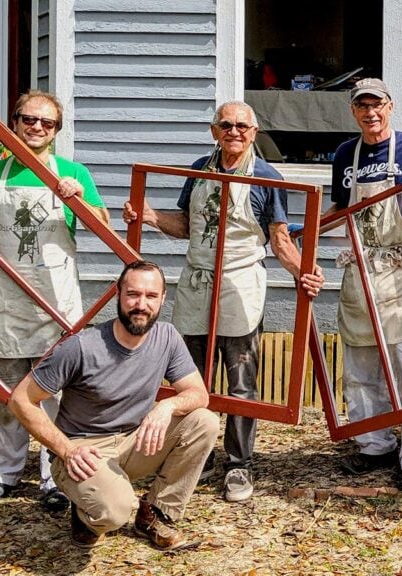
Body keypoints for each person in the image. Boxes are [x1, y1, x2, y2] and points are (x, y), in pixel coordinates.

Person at [122, 101, 323, 503]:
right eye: (226, 125)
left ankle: (238, 464)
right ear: (215, 130)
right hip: (197, 282)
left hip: (240, 284)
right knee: (188, 377)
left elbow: (280, 238)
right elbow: (187, 224)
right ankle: (192, 456)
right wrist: (150, 216)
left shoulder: (267, 177)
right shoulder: (198, 171)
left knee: (240, 381)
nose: (234, 132)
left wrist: (304, 273)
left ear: (255, 130)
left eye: (242, 126)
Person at [0, 89, 109, 512]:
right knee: (6, 391)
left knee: (51, 392)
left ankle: (54, 476)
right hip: (5, 300)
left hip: (54, 302)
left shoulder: (72, 173)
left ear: (56, 131)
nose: (35, 127)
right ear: (13, 122)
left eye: (46, 122)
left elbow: (105, 225)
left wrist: (79, 199)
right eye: (28, 119)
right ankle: (4, 472)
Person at [8, 260, 219, 549]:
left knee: (204, 421)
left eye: (151, 296)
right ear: (118, 293)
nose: (141, 304)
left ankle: (155, 514)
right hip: (83, 450)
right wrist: (66, 450)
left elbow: (198, 394)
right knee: (115, 511)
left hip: (135, 440)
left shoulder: (167, 337)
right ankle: (86, 514)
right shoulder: (81, 346)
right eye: (133, 294)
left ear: (162, 299)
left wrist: (166, 407)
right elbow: (20, 400)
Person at [326, 78, 402, 493]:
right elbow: (341, 206)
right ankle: (373, 444)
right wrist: (310, 227)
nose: (370, 113)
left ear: (390, 106)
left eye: (376, 105)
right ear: (354, 112)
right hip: (361, 267)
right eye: (362, 106)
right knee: (361, 365)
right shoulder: (346, 154)